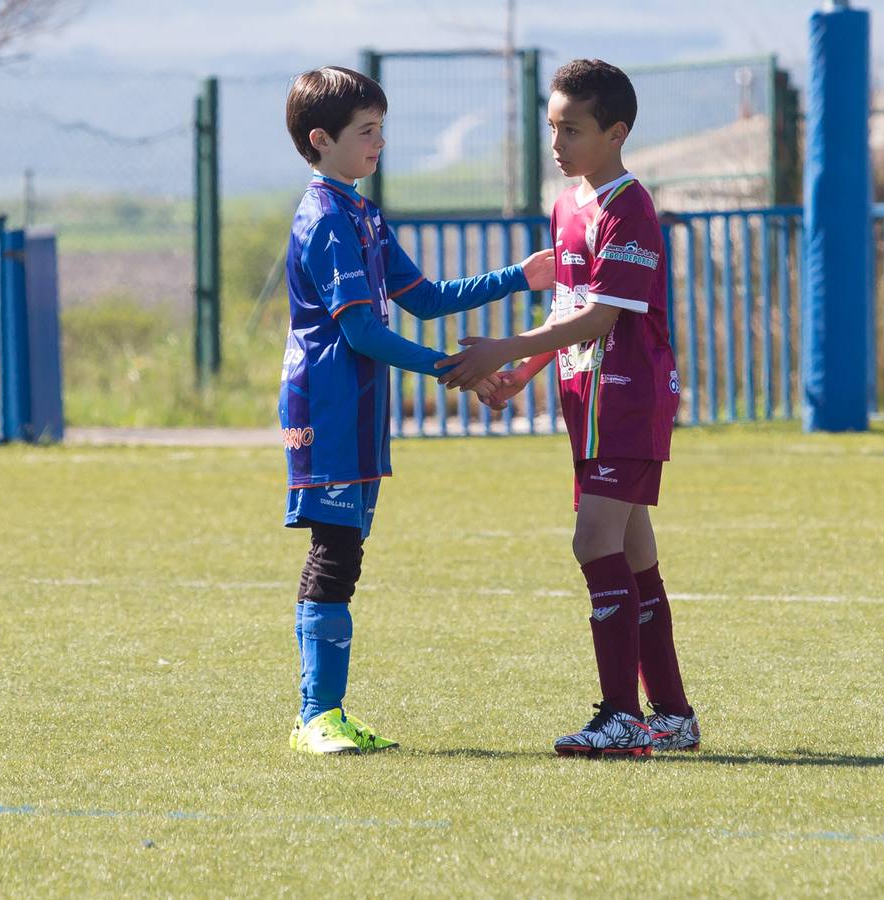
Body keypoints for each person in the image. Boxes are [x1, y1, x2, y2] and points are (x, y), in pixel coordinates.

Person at [278, 65, 549, 755]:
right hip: (328, 407)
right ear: (321, 139)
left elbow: (423, 297)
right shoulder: (326, 218)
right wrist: (456, 369)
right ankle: (316, 716)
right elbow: (362, 333)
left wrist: (519, 276)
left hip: (362, 410)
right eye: (366, 132)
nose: (379, 143)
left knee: (348, 552)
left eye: (380, 129)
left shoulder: (361, 212)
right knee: (333, 551)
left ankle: (325, 713)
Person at [445, 59, 696, 758]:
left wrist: (503, 347)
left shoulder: (629, 209)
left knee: (593, 542)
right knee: (633, 555)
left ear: (615, 132)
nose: (557, 143)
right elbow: (569, 306)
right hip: (584, 405)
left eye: (573, 129)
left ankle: (620, 715)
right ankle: (671, 715)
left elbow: (602, 319)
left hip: (627, 403)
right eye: (551, 127)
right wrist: (522, 373)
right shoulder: (569, 206)